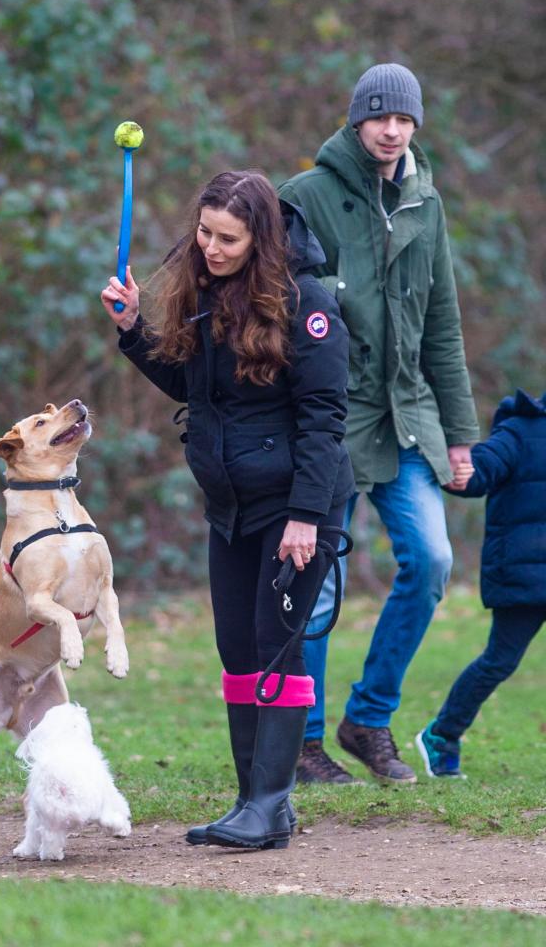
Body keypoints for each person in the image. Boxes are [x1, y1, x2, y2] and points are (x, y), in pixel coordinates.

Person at [101, 171, 354, 849]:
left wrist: (306, 517)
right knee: (237, 651)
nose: (210, 248)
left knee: (276, 649)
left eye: (228, 239)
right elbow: (194, 385)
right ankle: (254, 801)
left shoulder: (309, 305)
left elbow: (326, 419)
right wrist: (132, 331)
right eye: (205, 233)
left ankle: (269, 805)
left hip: (298, 508)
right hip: (232, 507)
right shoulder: (206, 294)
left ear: (260, 239)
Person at [278, 63, 479, 784]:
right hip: (330, 423)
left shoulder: (427, 202)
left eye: (404, 119)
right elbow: (273, 320)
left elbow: (444, 329)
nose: (392, 130)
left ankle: (367, 719)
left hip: (407, 420)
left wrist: (459, 434)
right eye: (379, 117)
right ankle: (301, 743)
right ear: (356, 119)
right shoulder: (303, 199)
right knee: (317, 584)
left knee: (432, 561)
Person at [416, 389, 546, 777]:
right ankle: (442, 735)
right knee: (499, 661)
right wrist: (456, 467)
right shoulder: (521, 431)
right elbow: (480, 471)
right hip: (524, 574)